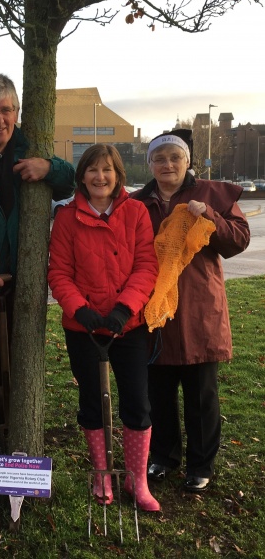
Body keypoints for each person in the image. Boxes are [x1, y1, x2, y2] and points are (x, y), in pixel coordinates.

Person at [0, 72, 75, 451]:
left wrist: (49, 169)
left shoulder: (31, 148)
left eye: (6, 110)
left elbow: (72, 180)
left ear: (17, 112)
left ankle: (12, 439)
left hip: (24, 282)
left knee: (17, 364)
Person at [131, 129, 250, 492]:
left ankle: (201, 464)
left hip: (200, 308)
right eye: (159, 158)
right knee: (159, 392)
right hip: (156, 310)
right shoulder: (138, 202)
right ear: (150, 163)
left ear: (187, 162)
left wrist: (209, 216)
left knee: (201, 393)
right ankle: (164, 456)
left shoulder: (211, 194)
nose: (167, 164)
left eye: (174, 158)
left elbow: (239, 239)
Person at [48, 144, 160, 511]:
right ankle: (101, 473)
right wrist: (80, 311)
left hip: (127, 326)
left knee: (137, 403)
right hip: (84, 329)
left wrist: (124, 309)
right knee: (92, 403)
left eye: (107, 170)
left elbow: (146, 266)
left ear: (118, 176)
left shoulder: (136, 212)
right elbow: (59, 272)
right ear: (82, 176)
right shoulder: (66, 217)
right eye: (93, 170)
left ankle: (136, 479)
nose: (100, 177)